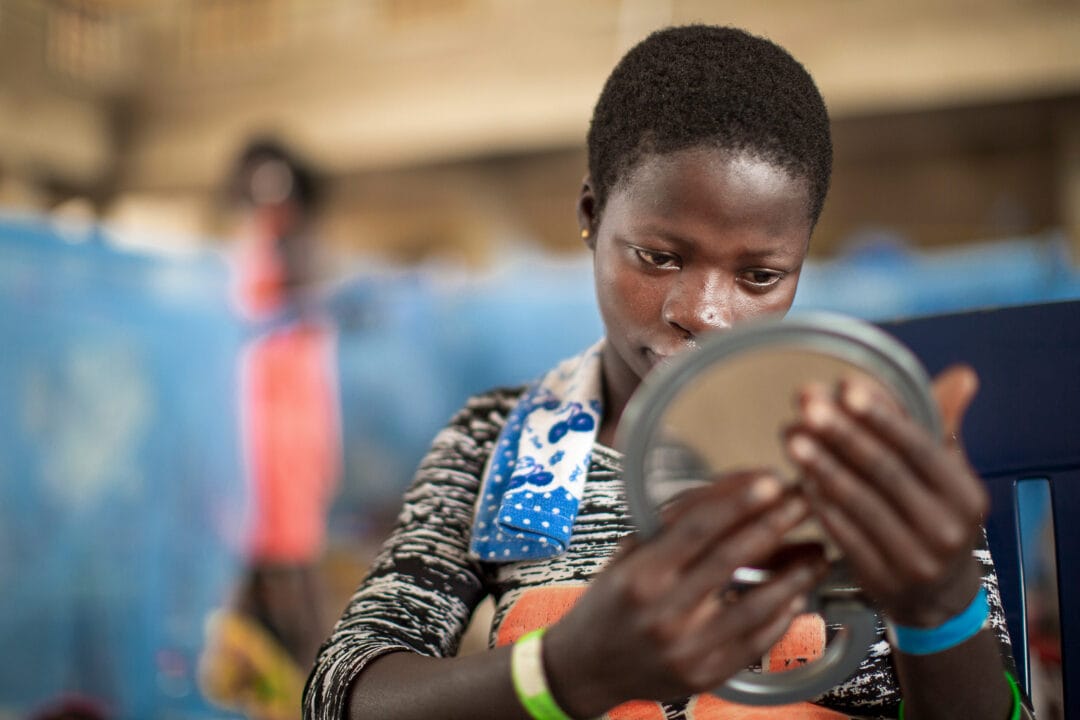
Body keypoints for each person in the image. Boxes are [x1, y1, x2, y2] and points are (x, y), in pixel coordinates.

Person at [303, 25, 1028, 720]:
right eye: (660, 257)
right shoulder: (501, 439)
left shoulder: (865, 449)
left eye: (760, 275)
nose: (705, 313)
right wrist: (563, 673)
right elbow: (342, 692)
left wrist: (937, 602)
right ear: (591, 214)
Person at [200, 140, 342, 720]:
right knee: (248, 566)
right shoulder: (247, 252)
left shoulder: (299, 255)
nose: (268, 202)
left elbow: (293, 325)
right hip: (245, 426)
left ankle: (327, 692)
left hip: (285, 433)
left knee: (290, 564)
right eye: (258, 189)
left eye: (278, 189)